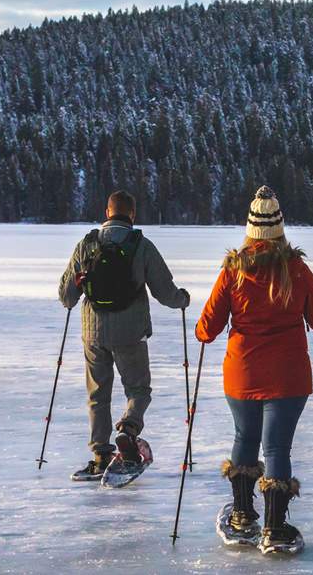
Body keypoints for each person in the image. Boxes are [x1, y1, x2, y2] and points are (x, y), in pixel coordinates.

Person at [196, 185, 313, 552]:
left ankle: (242, 516)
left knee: (245, 438)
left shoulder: (233, 271)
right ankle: (275, 528)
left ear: (250, 230)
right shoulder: (297, 269)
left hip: (243, 373)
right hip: (288, 376)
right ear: (279, 228)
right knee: (277, 449)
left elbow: (206, 329)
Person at [59, 190, 191, 481]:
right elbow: (164, 292)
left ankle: (100, 454)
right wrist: (183, 299)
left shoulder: (87, 245)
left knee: (97, 394)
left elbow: (66, 296)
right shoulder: (141, 246)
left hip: (93, 333)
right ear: (132, 215)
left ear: (107, 213)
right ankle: (128, 429)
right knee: (139, 389)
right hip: (130, 332)